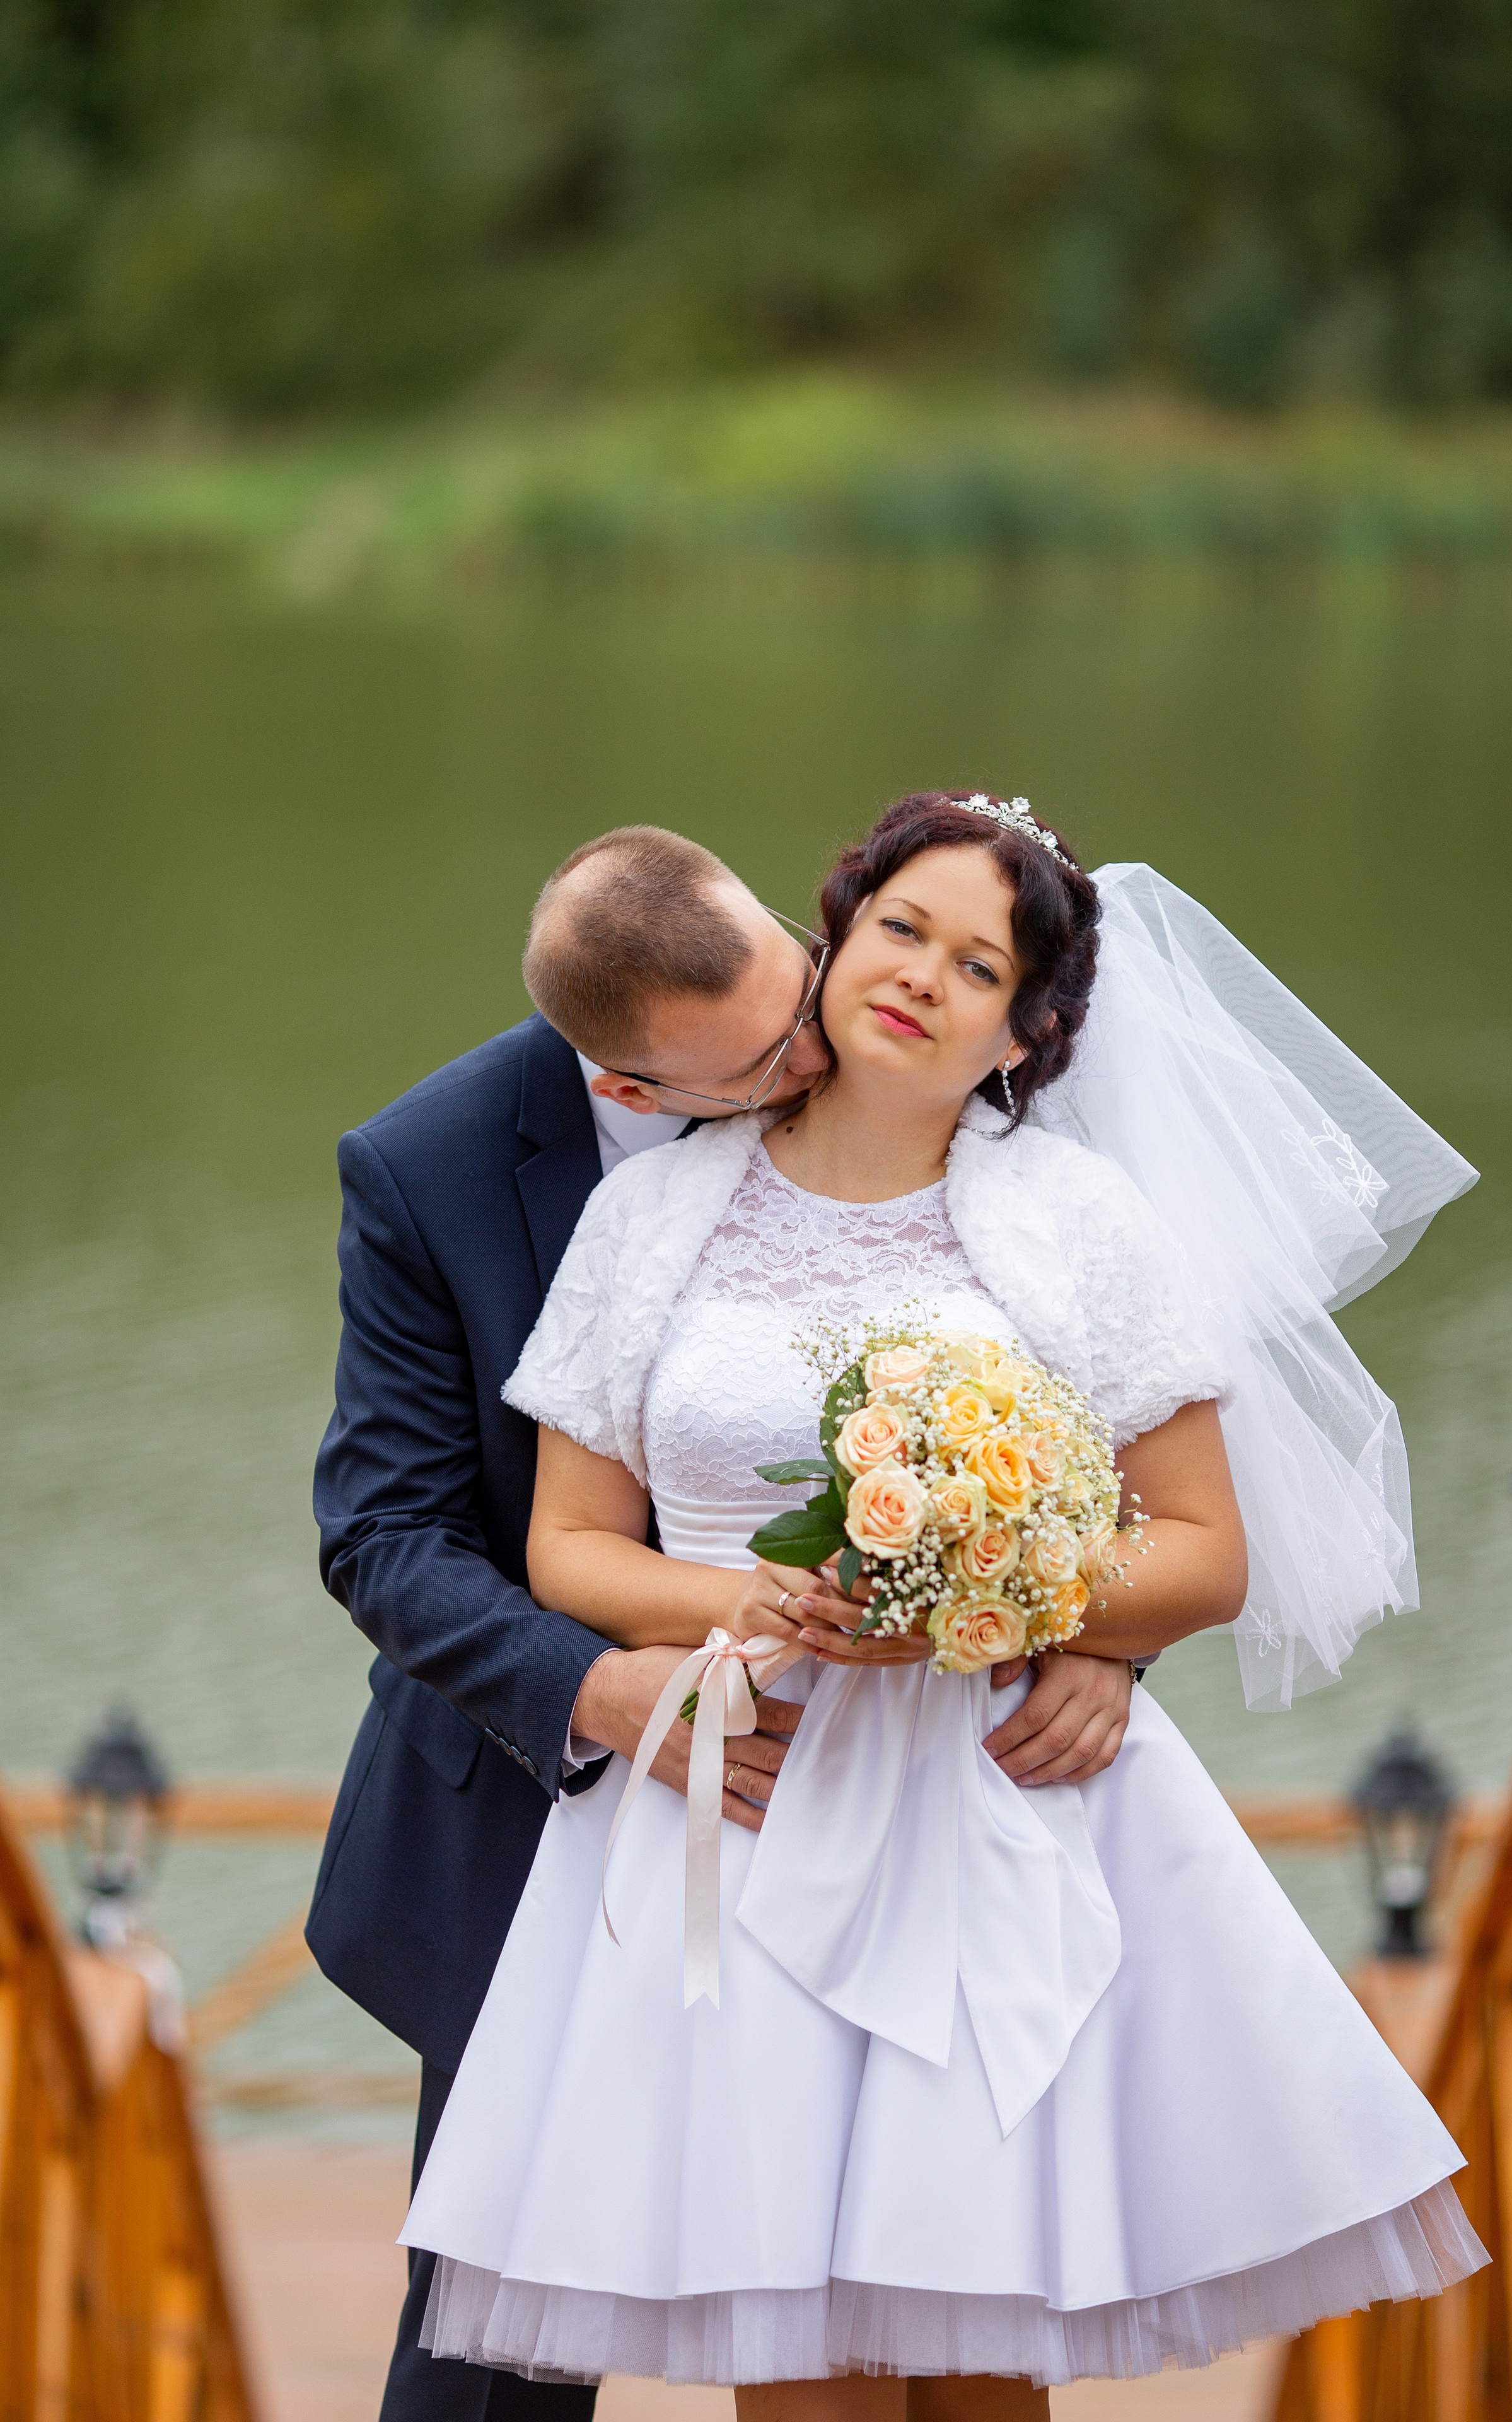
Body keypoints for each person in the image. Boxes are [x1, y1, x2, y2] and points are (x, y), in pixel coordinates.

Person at [398, 793, 1487, 2417]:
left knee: (984, 2366)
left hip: (997, 1815)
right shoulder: (651, 1217)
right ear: (829, 943)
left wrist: (999, 1616)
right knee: (798, 2374)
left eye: (976, 965)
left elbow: (1199, 1553)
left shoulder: (1076, 1227)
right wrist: (749, 1608)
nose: (921, 973)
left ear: (1015, 1038)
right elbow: (567, 1548)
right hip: (742, 1805)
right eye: (900, 926)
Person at [306, 824, 1138, 2422]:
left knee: (928, 2286)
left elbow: (1091, 1381)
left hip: (909, 1812)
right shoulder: (429, 1169)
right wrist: (610, 1693)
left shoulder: (878, 1001)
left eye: (804, 984)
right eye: (763, 1056)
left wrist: (1093, 1623)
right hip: (532, 1785)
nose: (819, 1041)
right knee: (501, 2344)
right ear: (638, 1090)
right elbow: (387, 1539)